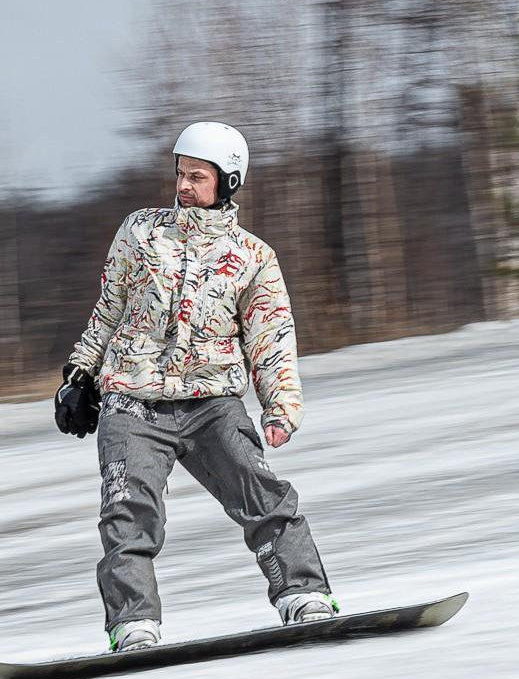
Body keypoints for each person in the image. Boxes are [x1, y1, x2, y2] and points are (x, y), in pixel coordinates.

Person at [52, 121, 338, 651]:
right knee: (126, 511)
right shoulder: (140, 231)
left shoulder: (254, 258)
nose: (184, 186)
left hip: (211, 405)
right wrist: (79, 374)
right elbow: (109, 309)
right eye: (180, 174)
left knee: (263, 496)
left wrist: (281, 408)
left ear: (228, 182)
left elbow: (271, 338)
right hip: (132, 401)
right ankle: (133, 624)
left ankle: (303, 595)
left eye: (197, 177)